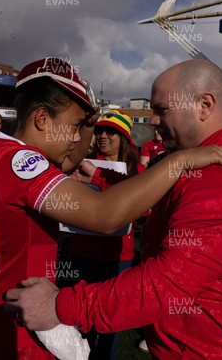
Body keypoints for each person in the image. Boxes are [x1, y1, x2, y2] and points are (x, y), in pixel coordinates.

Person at [0, 57, 222, 359]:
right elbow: (105, 215)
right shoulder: (21, 162)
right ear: (42, 119)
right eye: (75, 126)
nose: (78, 137)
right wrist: (182, 160)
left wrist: (87, 124)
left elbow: (71, 159)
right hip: (10, 330)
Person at [69, 110, 145, 359]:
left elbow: (144, 207)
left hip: (119, 257)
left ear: (123, 137)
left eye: (110, 131)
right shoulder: (79, 163)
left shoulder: (138, 173)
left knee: (111, 319)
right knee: (82, 317)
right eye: (100, 130)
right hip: (82, 252)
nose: (103, 135)